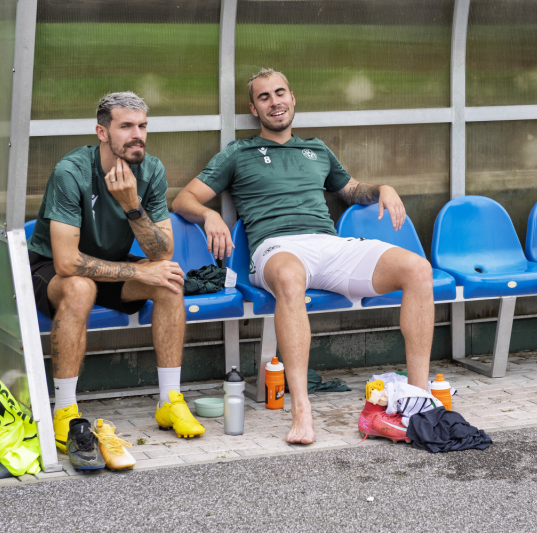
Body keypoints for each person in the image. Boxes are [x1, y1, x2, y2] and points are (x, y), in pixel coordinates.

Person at [172, 69, 434, 444]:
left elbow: (352, 190)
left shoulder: (317, 150)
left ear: (292, 99)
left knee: (418, 269)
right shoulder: (239, 153)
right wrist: (209, 215)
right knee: (290, 279)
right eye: (264, 97)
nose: (274, 102)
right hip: (276, 248)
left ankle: (419, 402)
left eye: (280, 93)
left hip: (328, 244)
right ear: (254, 109)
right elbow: (184, 199)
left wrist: (384, 189)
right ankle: (301, 410)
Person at [28, 92, 205, 466]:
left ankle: (169, 401)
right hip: (52, 269)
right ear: (102, 132)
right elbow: (66, 261)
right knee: (81, 287)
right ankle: (64, 411)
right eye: (126, 126)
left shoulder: (151, 170)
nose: (137, 134)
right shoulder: (72, 171)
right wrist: (139, 270)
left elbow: (161, 253)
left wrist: (131, 205)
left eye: (142, 126)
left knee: (169, 281)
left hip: (111, 264)